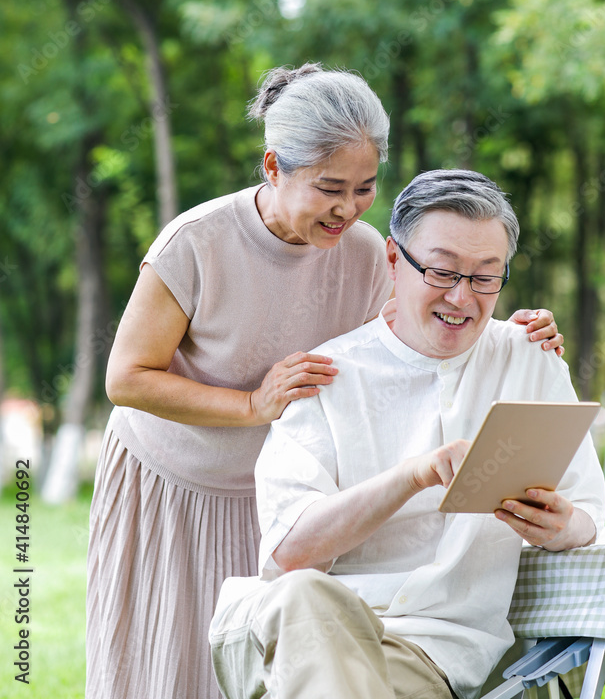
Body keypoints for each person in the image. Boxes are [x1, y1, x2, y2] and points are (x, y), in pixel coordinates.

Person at [86, 65, 563, 699]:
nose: (348, 207)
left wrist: (518, 328)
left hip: (285, 498)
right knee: (166, 671)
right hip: (176, 485)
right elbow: (126, 377)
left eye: (365, 187)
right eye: (329, 187)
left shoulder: (366, 251)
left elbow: (420, 324)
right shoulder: (196, 243)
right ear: (273, 167)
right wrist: (255, 403)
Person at [209, 169, 605, 699]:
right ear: (394, 260)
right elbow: (288, 554)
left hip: (431, 654)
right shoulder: (327, 376)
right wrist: (413, 476)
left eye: (486, 277)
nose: (462, 298)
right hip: (310, 627)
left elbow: (587, 517)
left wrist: (557, 527)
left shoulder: (529, 359)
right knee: (303, 593)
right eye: (442, 272)